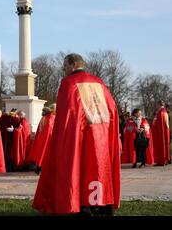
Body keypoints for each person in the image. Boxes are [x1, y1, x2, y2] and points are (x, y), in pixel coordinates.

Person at [32, 53, 120, 215]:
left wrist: (62, 140)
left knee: (79, 168)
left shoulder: (69, 83)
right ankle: (101, 206)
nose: (63, 69)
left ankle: (82, 206)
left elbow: (66, 116)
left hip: (80, 136)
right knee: (98, 169)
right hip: (100, 135)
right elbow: (112, 109)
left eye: (65, 65)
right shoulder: (99, 82)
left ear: (73, 64)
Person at [29, 104, 56, 175]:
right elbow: (50, 130)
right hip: (47, 139)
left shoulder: (44, 117)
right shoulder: (51, 117)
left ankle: (39, 167)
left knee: (41, 153)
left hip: (41, 138)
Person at [152, 100, 170, 166]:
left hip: (160, 132)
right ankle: (165, 160)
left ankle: (161, 161)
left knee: (161, 145)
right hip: (165, 132)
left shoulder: (160, 112)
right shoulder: (164, 112)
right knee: (165, 145)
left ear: (158, 104)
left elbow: (158, 124)